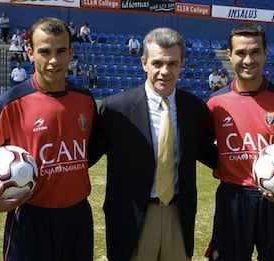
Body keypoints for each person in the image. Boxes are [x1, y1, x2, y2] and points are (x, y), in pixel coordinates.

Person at [0, 17, 97, 261]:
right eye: (44, 52)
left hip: (78, 217)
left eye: (60, 51)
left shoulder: (85, 100)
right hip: (30, 218)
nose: (53, 61)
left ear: (71, 53)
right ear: (30, 53)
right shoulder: (10, 103)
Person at [88, 27, 218, 261]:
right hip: (133, 216)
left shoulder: (195, 109)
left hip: (178, 215)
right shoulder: (116, 109)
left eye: (172, 64)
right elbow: (85, 159)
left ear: (182, 65)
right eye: (157, 63)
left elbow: (212, 155)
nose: (164, 71)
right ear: (144, 63)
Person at [205, 23, 274, 261]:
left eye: (255, 51)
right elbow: (201, 147)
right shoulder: (216, 104)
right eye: (241, 53)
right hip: (232, 198)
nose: (248, 60)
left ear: (266, 53)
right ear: (229, 54)